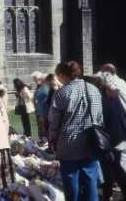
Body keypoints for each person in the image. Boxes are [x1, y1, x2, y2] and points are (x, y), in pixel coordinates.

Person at [49, 61, 103, 201]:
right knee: (91, 182)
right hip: (91, 142)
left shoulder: (61, 93)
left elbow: (54, 123)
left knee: (71, 184)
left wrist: (52, 141)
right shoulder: (94, 89)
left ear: (63, 75)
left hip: (68, 144)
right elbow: (99, 117)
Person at [95, 72, 126, 201]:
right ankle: (108, 194)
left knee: (115, 170)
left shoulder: (110, 98)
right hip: (114, 139)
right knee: (113, 170)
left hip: (116, 139)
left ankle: (108, 194)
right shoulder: (108, 98)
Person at [32, 72, 49, 145]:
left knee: (44, 125)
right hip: (39, 109)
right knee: (40, 125)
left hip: (44, 110)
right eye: (34, 79)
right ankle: (42, 139)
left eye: (36, 78)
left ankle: (45, 140)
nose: (35, 80)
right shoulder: (39, 87)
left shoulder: (45, 87)